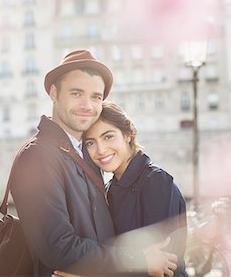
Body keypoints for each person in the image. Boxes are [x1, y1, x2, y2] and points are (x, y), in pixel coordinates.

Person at [10, 50, 178, 277]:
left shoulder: (84, 154)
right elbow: (57, 247)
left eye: (96, 97)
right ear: (54, 93)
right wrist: (135, 259)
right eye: (76, 93)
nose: (87, 105)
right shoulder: (38, 156)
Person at [82, 101, 188, 277]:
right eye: (90, 143)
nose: (100, 150)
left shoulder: (155, 181)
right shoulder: (111, 187)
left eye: (108, 137)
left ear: (128, 135)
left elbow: (160, 265)